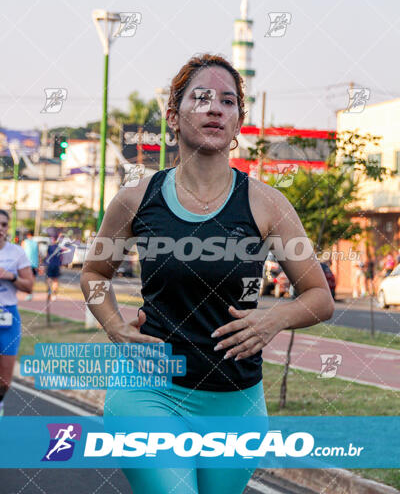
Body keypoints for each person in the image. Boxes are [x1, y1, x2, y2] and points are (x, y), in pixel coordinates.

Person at [81, 53, 335, 494]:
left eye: (228, 101)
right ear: (173, 117)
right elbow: (94, 273)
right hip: (148, 392)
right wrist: (116, 327)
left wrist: (275, 318)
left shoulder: (268, 204)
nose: (216, 108)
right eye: (201, 98)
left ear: (238, 122)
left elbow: (319, 295)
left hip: (235, 403)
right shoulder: (135, 199)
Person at [0, 209, 34, 416]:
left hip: (8, 318)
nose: (0, 228)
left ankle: (0, 403)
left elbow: (29, 286)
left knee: (5, 378)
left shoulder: (16, 253)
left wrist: (9, 276)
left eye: (4, 224)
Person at [44, 235, 63, 301]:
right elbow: (61, 258)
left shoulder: (50, 247)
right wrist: (60, 266)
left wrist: (44, 264)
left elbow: (47, 256)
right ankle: (54, 294)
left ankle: (49, 291)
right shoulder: (59, 248)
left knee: (49, 279)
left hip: (50, 265)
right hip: (56, 265)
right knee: (55, 280)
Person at [21, 231, 39, 300]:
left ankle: (29, 293)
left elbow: (21, 252)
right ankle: (30, 292)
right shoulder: (35, 243)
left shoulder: (24, 242)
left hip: (27, 263)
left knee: (27, 278)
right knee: (32, 279)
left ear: (28, 235)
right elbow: (37, 254)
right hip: (34, 264)